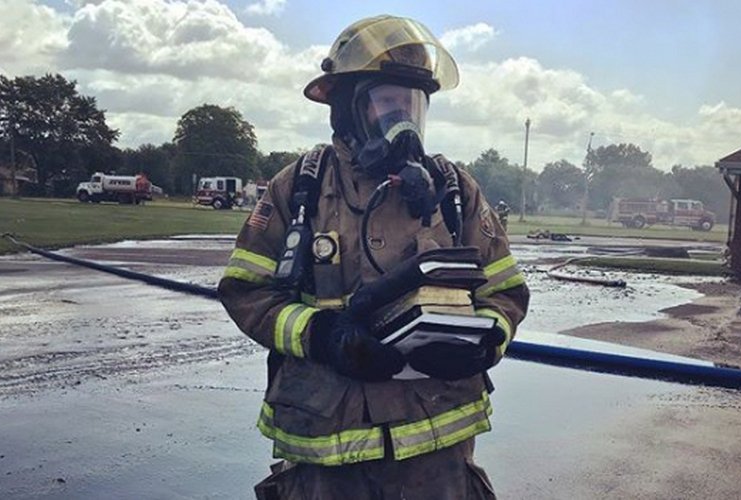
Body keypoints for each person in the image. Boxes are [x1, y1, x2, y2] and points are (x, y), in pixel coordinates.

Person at [219, 15, 529, 500]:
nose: (402, 120)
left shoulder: (455, 191)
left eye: (412, 105)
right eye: (387, 102)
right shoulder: (297, 188)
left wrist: (487, 341)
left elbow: (505, 291)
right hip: (327, 445)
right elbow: (246, 290)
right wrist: (322, 336)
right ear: (348, 106)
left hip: (436, 451)